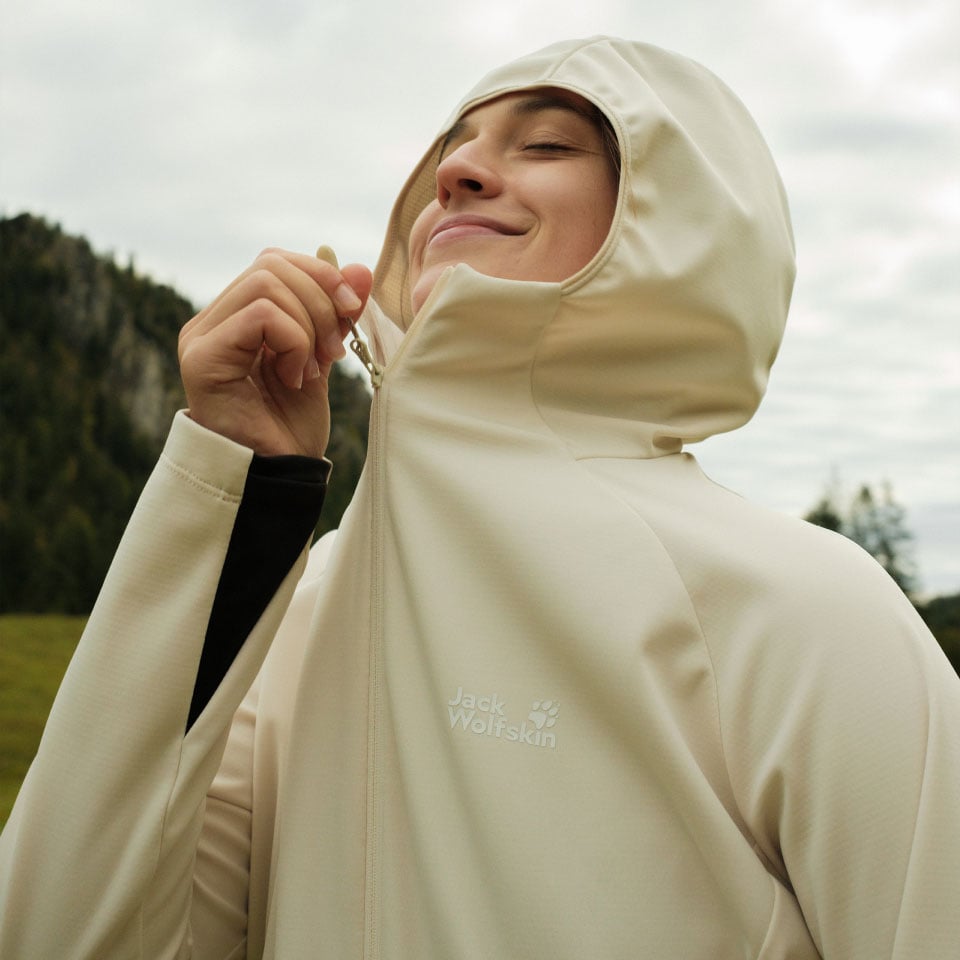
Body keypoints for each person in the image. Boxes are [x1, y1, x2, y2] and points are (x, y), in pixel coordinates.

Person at [1, 35, 958, 960]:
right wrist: (230, 488)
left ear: (679, 226)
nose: (456, 172)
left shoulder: (805, 610)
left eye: (546, 144)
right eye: (452, 153)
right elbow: (64, 938)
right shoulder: (308, 613)